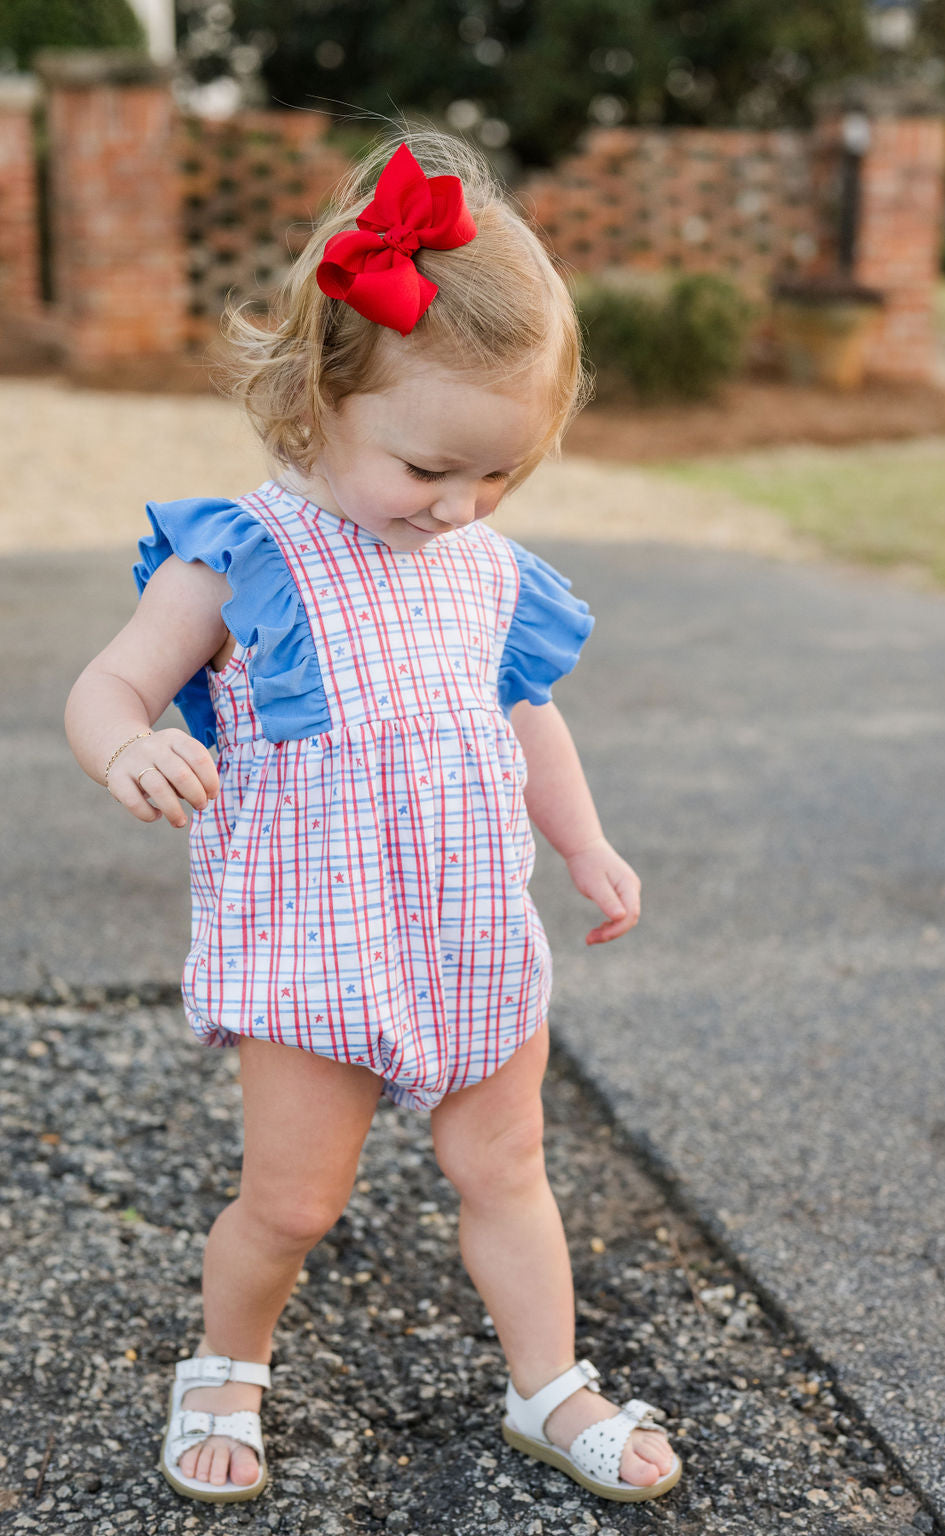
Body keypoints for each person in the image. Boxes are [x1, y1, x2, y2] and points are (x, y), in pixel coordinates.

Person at [65, 132, 681, 1507]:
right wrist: (127, 748)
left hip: (468, 931)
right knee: (292, 1203)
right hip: (312, 946)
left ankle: (549, 1383)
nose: (461, 506)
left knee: (508, 1166)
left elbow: (524, 715)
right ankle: (225, 1364)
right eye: (427, 470)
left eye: (500, 477)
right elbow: (108, 684)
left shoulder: (484, 569)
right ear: (311, 403)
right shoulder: (244, 557)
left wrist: (581, 840)